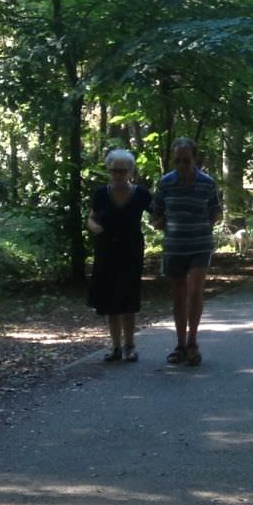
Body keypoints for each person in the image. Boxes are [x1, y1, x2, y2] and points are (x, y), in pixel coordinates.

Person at [151, 136, 222, 365]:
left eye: (186, 160)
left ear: (195, 159)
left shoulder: (207, 183)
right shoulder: (165, 183)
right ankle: (180, 344)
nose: (182, 165)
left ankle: (193, 342)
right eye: (178, 161)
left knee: (195, 291)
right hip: (175, 246)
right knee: (179, 294)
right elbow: (156, 215)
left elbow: (215, 213)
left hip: (200, 244)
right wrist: (165, 223)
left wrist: (198, 225)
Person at [86, 149, 150, 362]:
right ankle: (115, 347)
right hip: (106, 251)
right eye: (114, 171)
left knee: (129, 298)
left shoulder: (140, 193)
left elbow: (159, 214)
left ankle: (130, 345)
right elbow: (91, 218)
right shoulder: (101, 193)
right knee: (109, 300)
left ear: (130, 171)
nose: (118, 175)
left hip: (131, 250)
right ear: (109, 171)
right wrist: (95, 228)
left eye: (123, 171)